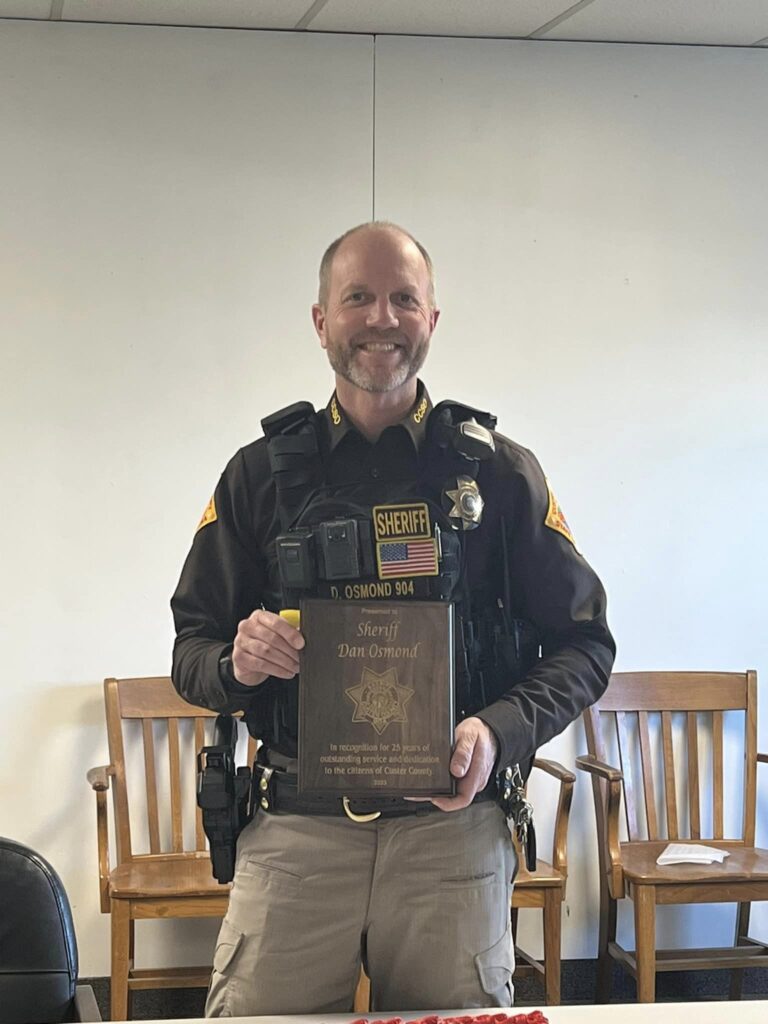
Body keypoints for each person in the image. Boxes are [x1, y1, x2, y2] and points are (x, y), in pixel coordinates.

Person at [171, 222, 615, 1017]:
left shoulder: (499, 474)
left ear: (431, 319)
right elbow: (191, 648)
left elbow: (586, 644)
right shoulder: (256, 476)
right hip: (296, 835)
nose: (382, 318)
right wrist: (236, 663)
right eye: (359, 298)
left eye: (404, 299)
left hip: (450, 839)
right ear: (321, 321)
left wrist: (499, 731)